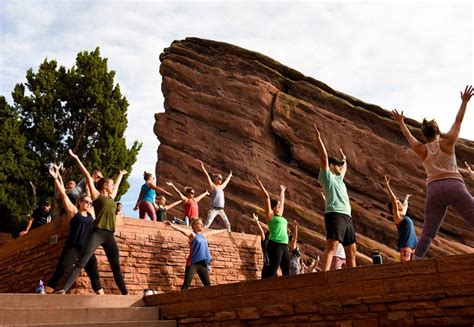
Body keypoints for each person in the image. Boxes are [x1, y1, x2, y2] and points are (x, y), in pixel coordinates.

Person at [391, 85, 474, 259]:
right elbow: (458, 121)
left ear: (424, 134)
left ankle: (417, 259)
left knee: (429, 232)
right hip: (454, 186)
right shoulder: (447, 142)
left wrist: (401, 122)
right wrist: (464, 102)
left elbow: (408, 137)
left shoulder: (422, 150)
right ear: (438, 132)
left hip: (434, 190)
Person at [58, 149, 128, 295]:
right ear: (104, 186)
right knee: (82, 261)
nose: (113, 186)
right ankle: (64, 289)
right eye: (111, 184)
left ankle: (126, 295)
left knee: (116, 267)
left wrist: (121, 174)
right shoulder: (96, 196)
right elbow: (87, 176)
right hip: (97, 233)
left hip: (109, 235)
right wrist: (77, 158)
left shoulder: (111, 198)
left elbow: (117, 184)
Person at [45, 165, 103, 294]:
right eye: (86, 202)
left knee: (94, 273)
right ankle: (46, 291)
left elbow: (91, 193)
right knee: (61, 269)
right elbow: (64, 196)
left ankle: (102, 296)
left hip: (86, 248)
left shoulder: (91, 213)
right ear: (80, 202)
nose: (88, 204)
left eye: (90, 203)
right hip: (72, 246)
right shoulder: (73, 212)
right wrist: (56, 179)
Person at [314, 124, 357, 272]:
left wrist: (344, 159)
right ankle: (324, 276)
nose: (340, 167)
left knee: (351, 250)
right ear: (332, 166)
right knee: (332, 245)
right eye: (337, 165)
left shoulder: (340, 179)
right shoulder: (327, 177)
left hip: (347, 216)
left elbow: (344, 167)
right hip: (335, 213)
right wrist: (319, 139)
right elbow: (324, 157)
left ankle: (353, 278)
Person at [165, 218, 227, 289]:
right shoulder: (192, 235)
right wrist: (172, 225)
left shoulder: (204, 236)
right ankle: (181, 299)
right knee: (186, 285)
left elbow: (214, 232)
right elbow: (182, 230)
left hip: (202, 264)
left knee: (207, 285)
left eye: (201, 224)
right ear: (194, 225)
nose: (201, 225)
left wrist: (223, 230)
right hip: (193, 263)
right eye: (199, 224)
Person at [256, 176, 289, 278]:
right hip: (275, 244)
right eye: (278, 206)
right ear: (274, 208)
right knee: (273, 270)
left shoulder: (280, 214)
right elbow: (266, 197)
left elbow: (282, 201)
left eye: (280, 206)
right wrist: (260, 183)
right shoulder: (270, 216)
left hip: (284, 245)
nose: (280, 207)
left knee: (286, 271)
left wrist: (282, 191)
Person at [384, 175, 418, 261]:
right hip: (406, 246)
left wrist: (406, 197)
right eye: (398, 203)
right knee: (405, 265)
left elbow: (405, 205)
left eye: (400, 203)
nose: (400, 204)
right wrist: (387, 186)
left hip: (413, 245)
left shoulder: (403, 215)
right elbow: (394, 200)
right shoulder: (397, 217)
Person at [197, 160, 232, 231]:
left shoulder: (221, 187)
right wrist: (202, 166)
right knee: (208, 223)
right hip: (214, 209)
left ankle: (230, 236)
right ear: (215, 179)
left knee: (228, 224)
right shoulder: (213, 186)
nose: (220, 180)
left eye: (221, 179)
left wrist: (230, 175)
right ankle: (199, 233)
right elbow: (207, 176)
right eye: (219, 178)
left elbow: (226, 181)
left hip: (221, 210)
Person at [252, 213, 270, 278]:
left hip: (271, 265)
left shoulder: (272, 243)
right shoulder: (265, 241)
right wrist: (257, 221)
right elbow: (261, 231)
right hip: (267, 265)